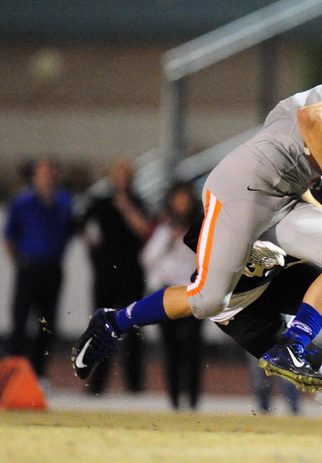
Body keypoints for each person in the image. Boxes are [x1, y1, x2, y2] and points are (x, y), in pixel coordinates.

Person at [72, 68, 322, 425]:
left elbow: (297, 133)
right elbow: (311, 120)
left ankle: (295, 346)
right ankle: (113, 321)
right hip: (247, 187)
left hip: (285, 194)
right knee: (208, 299)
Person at [79, 158, 153, 394]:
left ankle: (134, 385)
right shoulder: (99, 202)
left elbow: (145, 230)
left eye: (126, 175)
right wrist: (92, 248)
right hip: (105, 274)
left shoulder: (139, 202)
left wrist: (126, 207)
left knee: (132, 328)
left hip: (131, 273)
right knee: (100, 328)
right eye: (118, 175)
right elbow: (80, 225)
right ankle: (96, 384)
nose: (122, 180)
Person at [3, 157, 74, 383]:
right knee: (20, 320)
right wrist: (21, 261)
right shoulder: (22, 202)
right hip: (29, 267)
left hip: (52, 268)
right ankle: (13, 372)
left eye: (51, 173)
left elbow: (69, 231)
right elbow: (10, 236)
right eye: (43, 174)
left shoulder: (64, 202)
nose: (47, 178)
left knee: (47, 322)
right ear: (35, 176)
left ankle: (38, 373)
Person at [140, 182, 203, 410]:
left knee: (193, 348)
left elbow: (206, 258)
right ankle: (175, 400)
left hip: (193, 293)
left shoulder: (200, 227)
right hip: (168, 293)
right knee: (172, 348)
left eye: (186, 199)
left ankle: (194, 400)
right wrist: (170, 238)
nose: (182, 204)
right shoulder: (165, 227)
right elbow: (147, 258)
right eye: (178, 199)